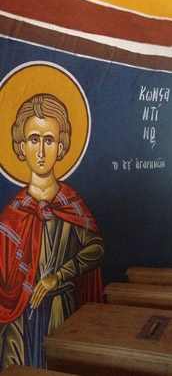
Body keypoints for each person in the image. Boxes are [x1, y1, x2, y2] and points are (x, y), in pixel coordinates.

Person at [0, 94, 104, 369]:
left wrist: (59, 276)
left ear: (61, 146)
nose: (41, 151)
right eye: (34, 139)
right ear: (21, 146)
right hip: (19, 322)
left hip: (62, 313)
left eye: (49, 140)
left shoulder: (71, 204)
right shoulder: (13, 213)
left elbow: (97, 248)